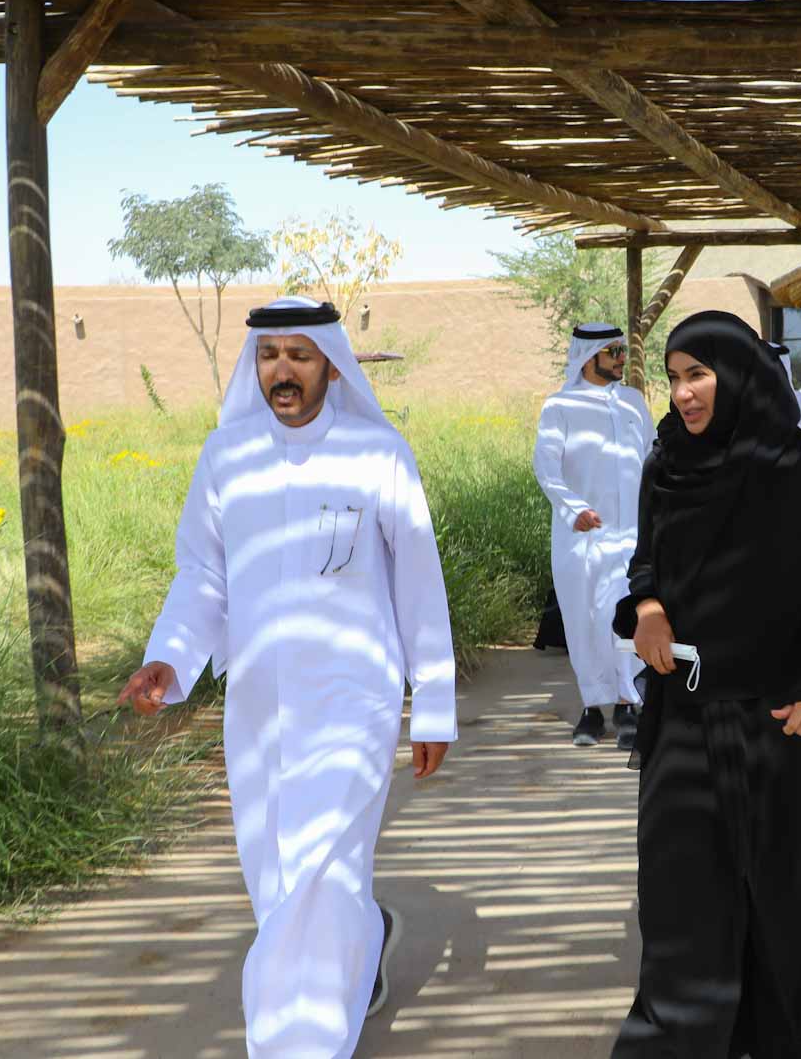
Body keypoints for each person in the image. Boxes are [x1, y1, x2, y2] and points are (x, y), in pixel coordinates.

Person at [118, 296, 456, 1057]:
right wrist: (168, 655)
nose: (283, 370)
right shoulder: (226, 454)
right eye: (270, 355)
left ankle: (297, 1043)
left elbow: (419, 583)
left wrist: (431, 703)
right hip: (262, 705)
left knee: (318, 869)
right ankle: (363, 942)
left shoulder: (378, 452)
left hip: (354, 696)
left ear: (330, 365)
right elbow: (204, 574)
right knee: (278, 875)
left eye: (299, 355)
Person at [612, 309, 801, 1058]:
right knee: (681, 891)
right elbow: (645, 561)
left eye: (697, 373)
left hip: (783, 721)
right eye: (672, 376)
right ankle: (679, 1034)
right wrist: (650, 608)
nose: (684, 393)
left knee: (784, 899)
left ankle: (783, 1029)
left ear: (738, 376)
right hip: (687, 718)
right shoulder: (666, 461)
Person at [534, 323, 654, 748]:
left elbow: (653, 457)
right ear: (590, 356)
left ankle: (626, 703)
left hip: (631, 537)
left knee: (624, 617)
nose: (622, 358)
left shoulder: (634, 402)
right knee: (586, 622)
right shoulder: (560, 406)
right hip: (582, 539)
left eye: (623, 350)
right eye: (614, 351)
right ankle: (591, 708)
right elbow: (545, 467)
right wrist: (574, 509)